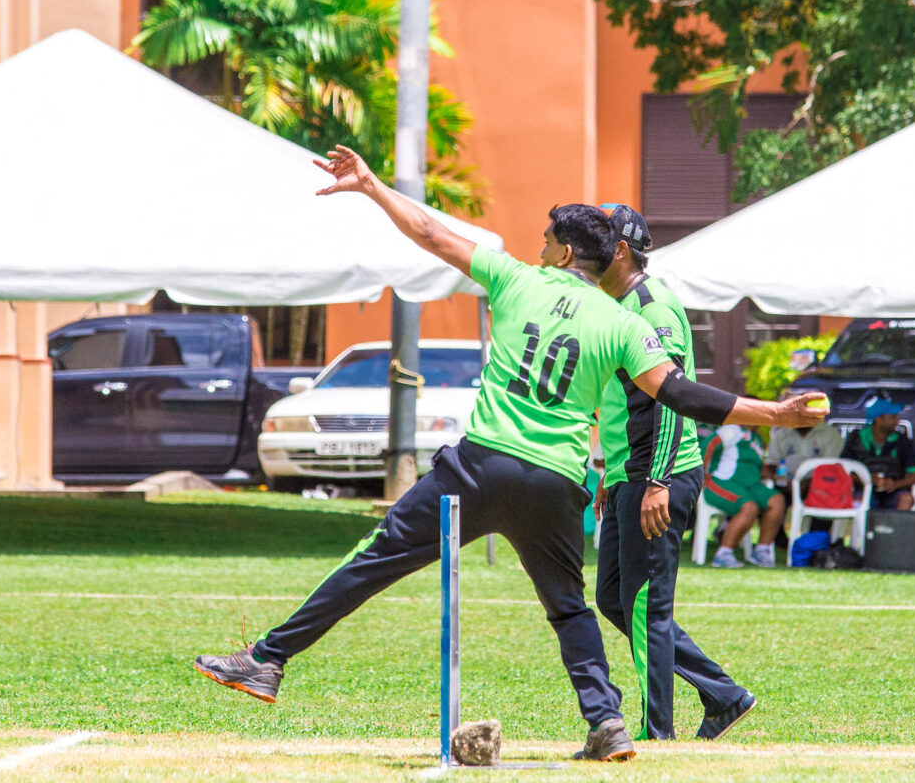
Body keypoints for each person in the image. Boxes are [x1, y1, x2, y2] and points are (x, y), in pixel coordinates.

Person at [194, 147, 824, 763]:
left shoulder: (516, 277)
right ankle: (607, 723)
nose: (539, 249)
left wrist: (372, 186)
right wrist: (776, 413)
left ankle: (268, 659)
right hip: (556, 482)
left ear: (567, 253)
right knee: (570, 607)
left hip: (480, 466)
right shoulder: (624, 323)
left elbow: (431, 234)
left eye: (546, 241)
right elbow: (682, 395)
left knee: (377, 558)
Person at [590, 203, 756, 742]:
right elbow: (623, 402)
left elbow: (671, 400)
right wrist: (611, 472)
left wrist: (656, 481)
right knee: (615, 599)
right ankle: (723, 695)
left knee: (646, 607)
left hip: (658, 475)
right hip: (629, 473)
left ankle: (656, 734)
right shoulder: (615, 304)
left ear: (620, 250)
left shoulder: (652, 307)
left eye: (596, 241)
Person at [700, 425, 783, 568]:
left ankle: (761, 551)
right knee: (749, 507)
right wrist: (699, 473)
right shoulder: (731, 430)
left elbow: (756, 465)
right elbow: (707, 446)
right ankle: (724, 553)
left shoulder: (757, 439)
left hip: (751, 485)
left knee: (777, 500)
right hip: (722, 482)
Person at [841, 399, 915, 510]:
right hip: (863, 490)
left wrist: (895, 484)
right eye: (893, 417)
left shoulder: (902, 441)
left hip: (894, 491)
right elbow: (843, 471)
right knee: (857, 502)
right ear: (878, 420)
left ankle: (898, 523)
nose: (897, 421)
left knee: (906, 499)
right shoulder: (856, 439)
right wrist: (867, 478)